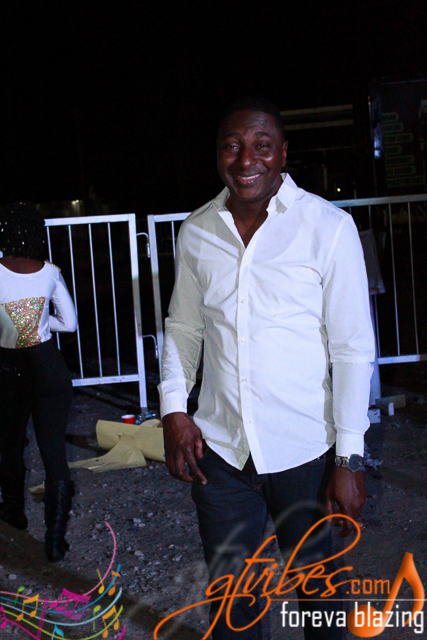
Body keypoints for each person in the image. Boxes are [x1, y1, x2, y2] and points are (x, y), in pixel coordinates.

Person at [159, 97, 375, 639]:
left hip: (307, 452)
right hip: (222, 455)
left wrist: (349, 457)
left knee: (321, 605)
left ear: (282, 153)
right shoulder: (197, 231)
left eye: (260, 146)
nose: (245, 160)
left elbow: (351, 348)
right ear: (217, 154)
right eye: (231, 146)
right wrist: (173, 410)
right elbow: (184, 328)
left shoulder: (328, 227)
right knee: (233, 609)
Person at [0, 201, 77, 562]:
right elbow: (70, 323)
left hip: (8, 369)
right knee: (54, 452)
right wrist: (43, 328)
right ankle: (55, 542)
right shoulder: (50, 271)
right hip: (49, 366)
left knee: (10, 445)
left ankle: (14, 513)